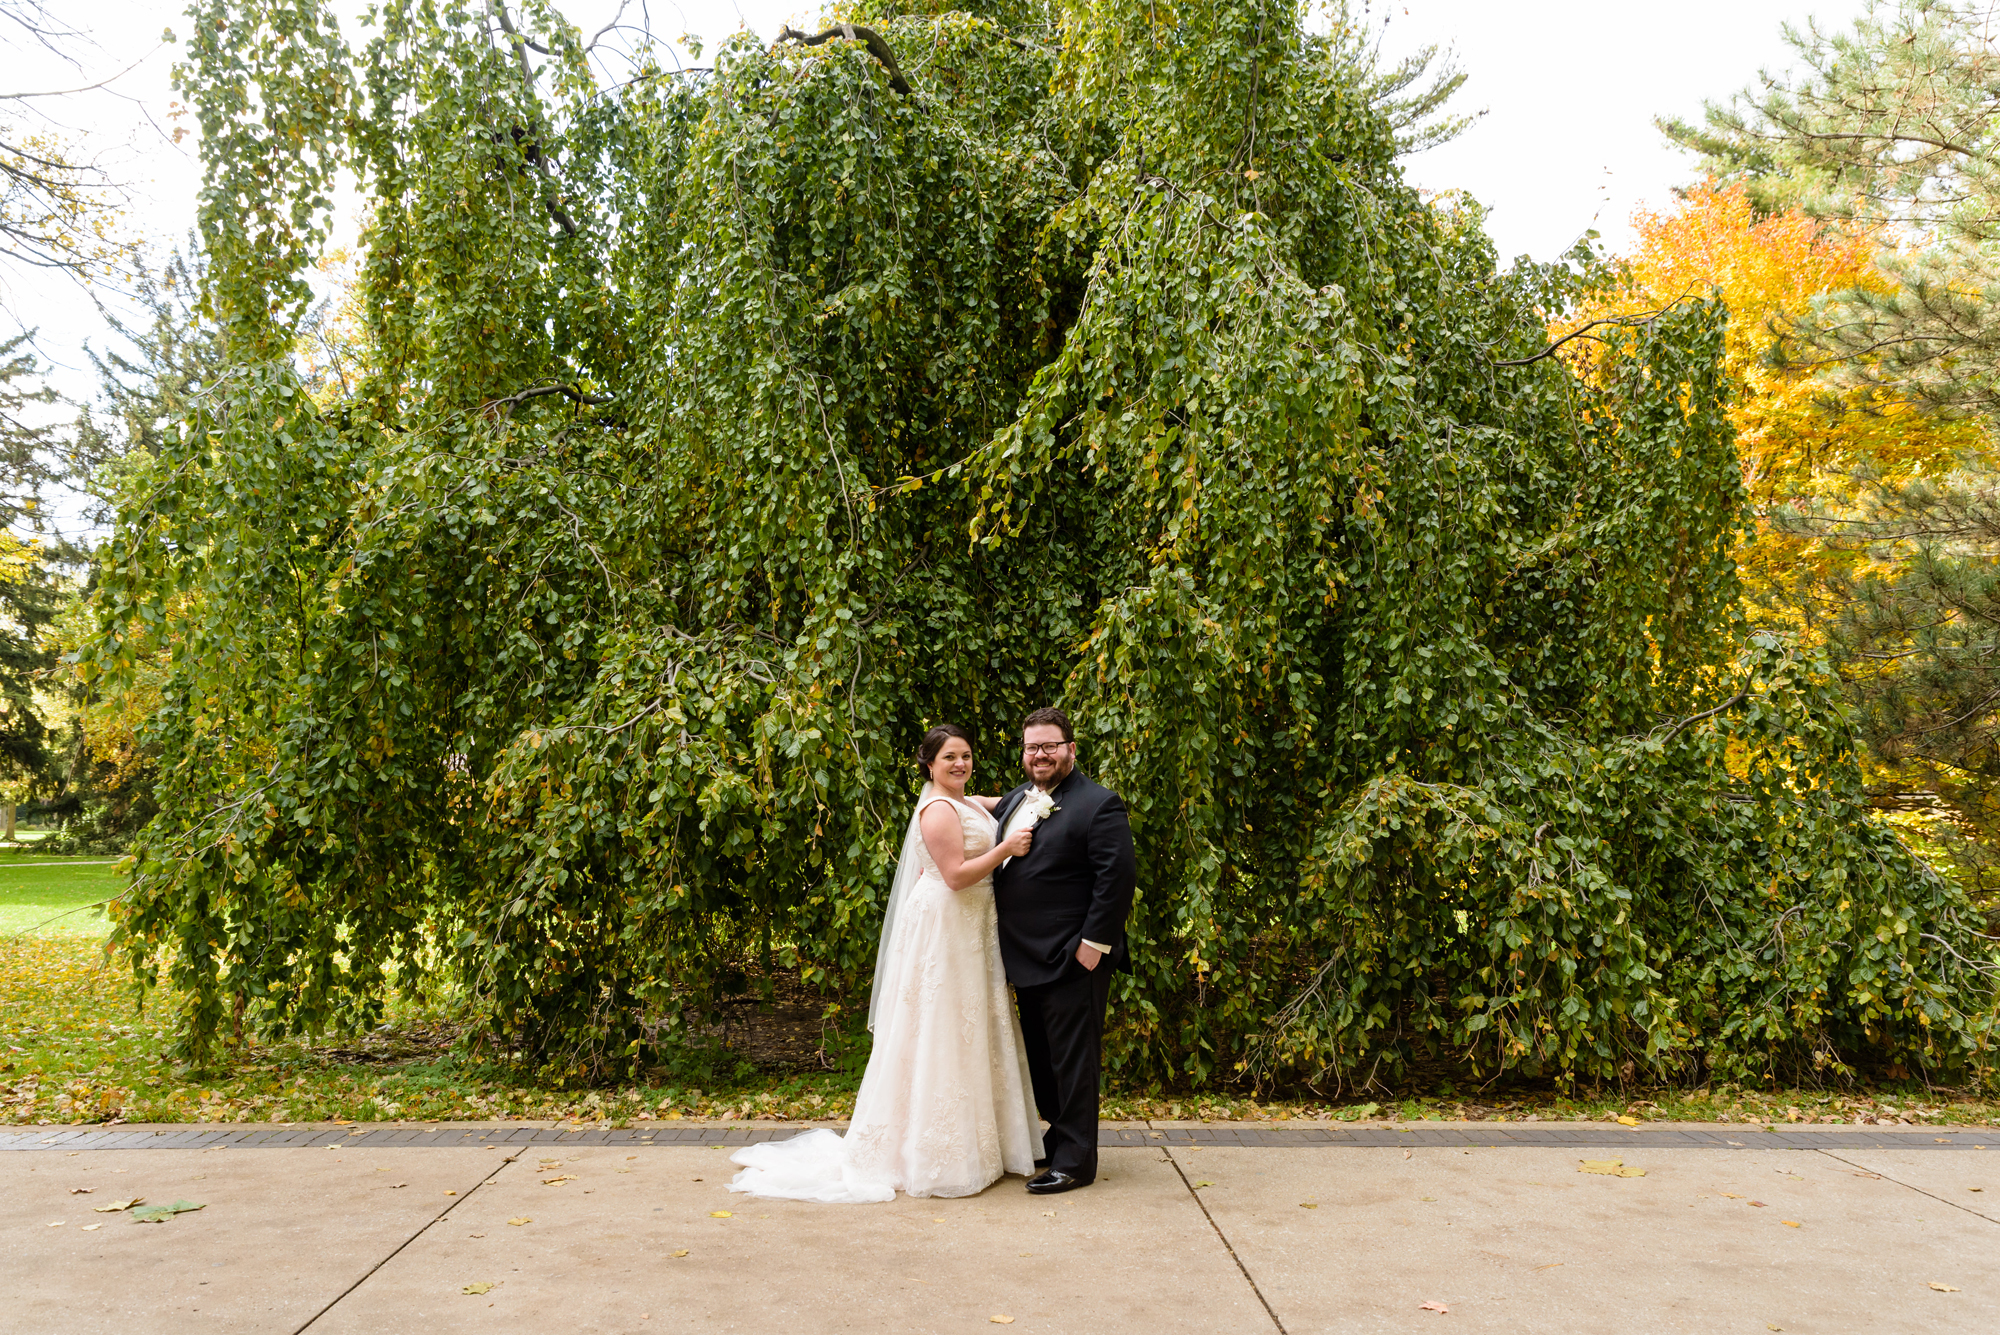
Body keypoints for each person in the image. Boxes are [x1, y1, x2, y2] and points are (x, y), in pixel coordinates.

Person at [725, 725, 1044, 1202]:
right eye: (950, 757)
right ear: (929, 764)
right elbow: (955, 876)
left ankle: (988, 1145)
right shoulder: (937, 810)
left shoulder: (965, 800)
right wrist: (1006, 848)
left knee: (967, 1026)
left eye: (966, 755)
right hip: (947, 923)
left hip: (968, 928)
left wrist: (1043, 797)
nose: (960, 763)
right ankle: (932, 1153)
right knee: (940, 1027)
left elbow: (1011, 803)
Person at [990, 706, 1137, 1194]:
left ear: (1071, 748)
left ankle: (1075, 1162)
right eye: (1032, 746)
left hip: (1074, 959)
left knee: (1074, 1062)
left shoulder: (1100, 803)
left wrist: (1092, 947)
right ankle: (1061, 1137)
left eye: (1050, 745)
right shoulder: (1018, 797)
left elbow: (1116, 880)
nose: (1040, 754)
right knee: (1043, 1059)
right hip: (1026, 959)